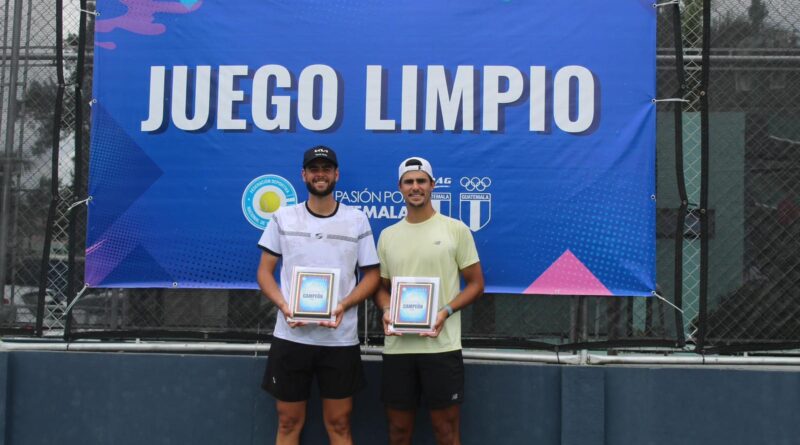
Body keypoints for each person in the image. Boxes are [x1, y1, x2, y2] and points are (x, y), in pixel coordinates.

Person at [256, 145, 380, 445]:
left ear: (336, 174)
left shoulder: (356, 219)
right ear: (303, 175)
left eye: (326, 169)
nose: (320, 174)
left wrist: (344, 304)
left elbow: (372, 276)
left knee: (339, 423)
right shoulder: (283, 217)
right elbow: (264, 273)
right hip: (291, 337)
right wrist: (286, 307)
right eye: (314, 169)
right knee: (287, 422)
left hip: (339, 339)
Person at [374, 157, 484, 445]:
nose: (415, 187)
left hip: (442, 346)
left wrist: (445, 311)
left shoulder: (455, 229)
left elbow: (476, 284)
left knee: (446, 431)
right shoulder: (387, 236)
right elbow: (381, 288)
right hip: (399, 348)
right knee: (398, 432)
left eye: (421, 181)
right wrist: (387, 309)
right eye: (409, 182)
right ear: (399, 188)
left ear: (432, 185)